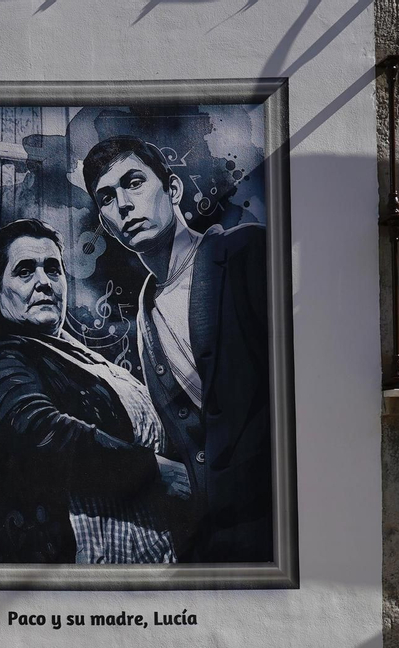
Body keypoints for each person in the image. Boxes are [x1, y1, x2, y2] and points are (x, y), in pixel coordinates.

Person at [0, 218, 190, 564]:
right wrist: (154, 471)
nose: (43, 282)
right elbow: (39, 433)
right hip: (61, 565)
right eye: (24, 271)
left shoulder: (80, 357)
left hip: (148, 551)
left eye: (53, 269)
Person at [82, 135, 273, 563]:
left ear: (172, 190)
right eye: (108, 198)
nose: (125, 205)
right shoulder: (144, 318)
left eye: (134, 183)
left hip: (277, 520)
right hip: (215, 539)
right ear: (105, 221)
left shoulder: (244, 253)